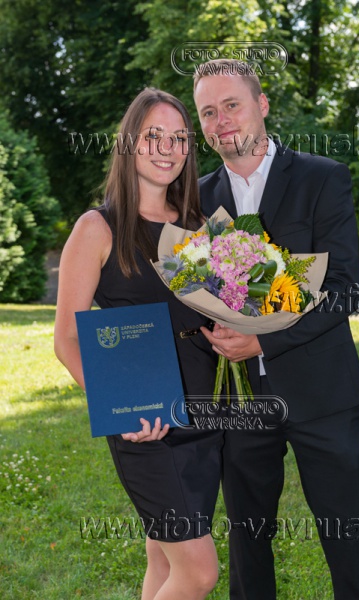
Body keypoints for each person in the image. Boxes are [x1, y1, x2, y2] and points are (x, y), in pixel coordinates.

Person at [193, 59, 359, 599]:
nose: (221, 121)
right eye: (208, 112)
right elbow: (192, 289)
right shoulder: (196, 198)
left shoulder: (322, 178)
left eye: (232, 105)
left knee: (346, 536)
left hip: (324, 393)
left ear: (262, 105)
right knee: (248, 542)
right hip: (239, 400)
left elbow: (342, 288)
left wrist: (262, 339)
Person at [54, 88, 224, 600]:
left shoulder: (201, 227)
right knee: (199, 572)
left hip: (205, 413)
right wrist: (120, 407)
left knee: (163, 556)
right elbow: (67, 338)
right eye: (154, 135)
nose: (168, 148)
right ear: (129, 143)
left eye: (179, 138)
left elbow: (221, 309)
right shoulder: (97, 227)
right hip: (146, 426)